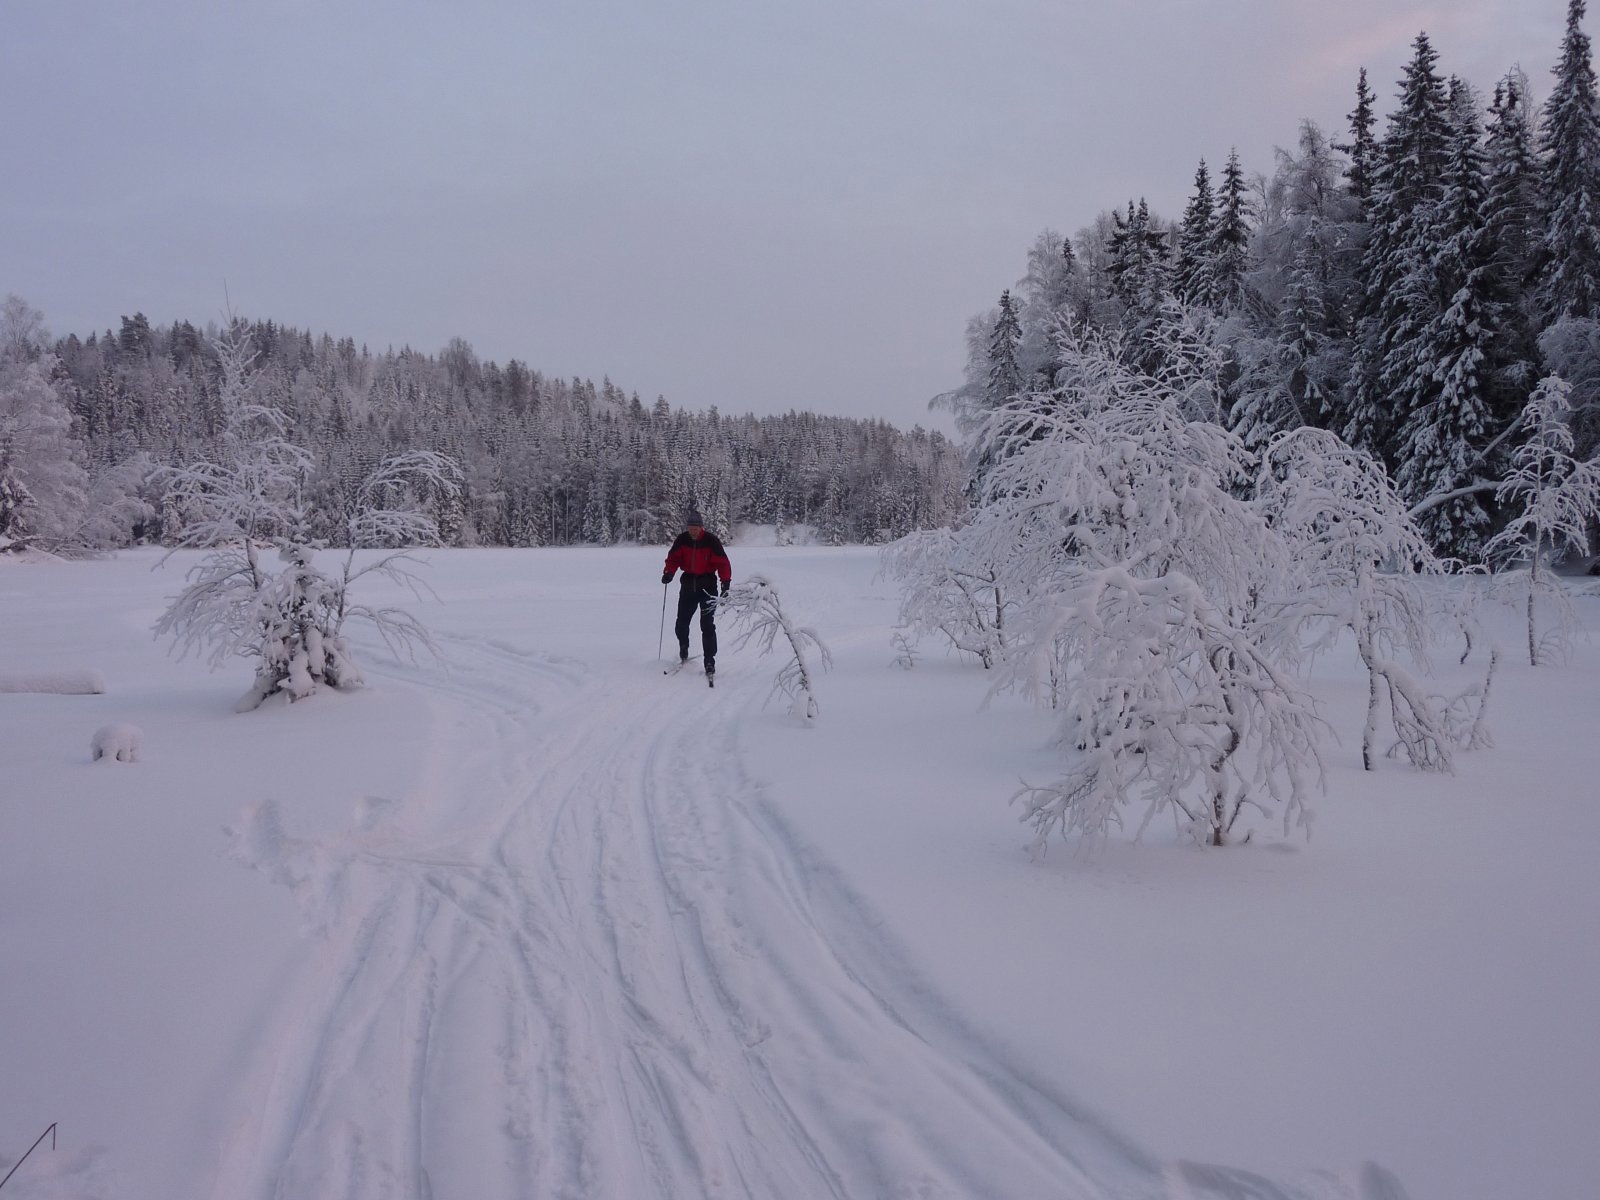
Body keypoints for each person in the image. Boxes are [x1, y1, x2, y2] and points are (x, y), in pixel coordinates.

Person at [661, 511, 732, 677]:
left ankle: (709, 661)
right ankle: (683, 647)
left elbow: (723, 563)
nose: (693, 531)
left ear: (701, 527)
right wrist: (669, 572)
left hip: (708, 586)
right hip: (688, 585)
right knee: (681, 623)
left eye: (696, 528)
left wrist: (725, 582)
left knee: (707, 625)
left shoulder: (711, 541)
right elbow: (673, 559)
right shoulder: (682, 539)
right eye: (690, 528)